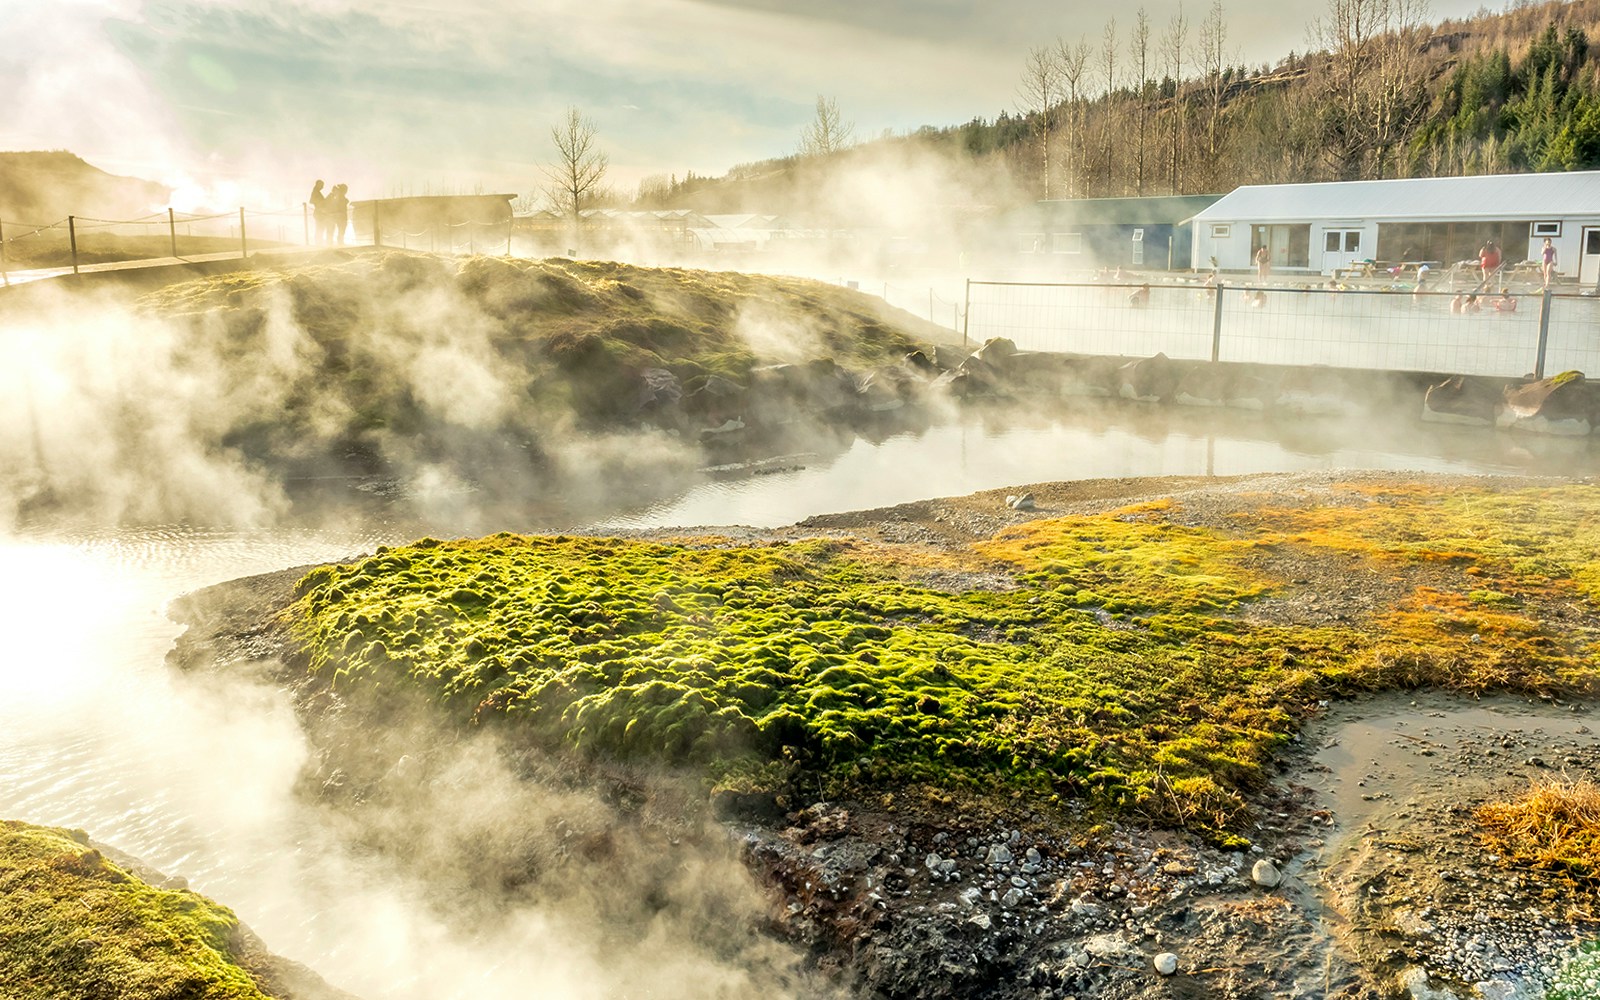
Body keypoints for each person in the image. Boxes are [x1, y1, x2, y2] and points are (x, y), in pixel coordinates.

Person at [308, 179, 328, 245]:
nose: (323, 187)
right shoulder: (315, 192)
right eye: (322, 185)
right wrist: (322, 202)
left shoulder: (316, 191)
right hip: (319, 213)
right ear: (318, 185)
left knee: (320, 228)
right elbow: (312, 201)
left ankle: (319, 242)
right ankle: (318, 243)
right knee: (320, 228)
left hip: (319, 212)